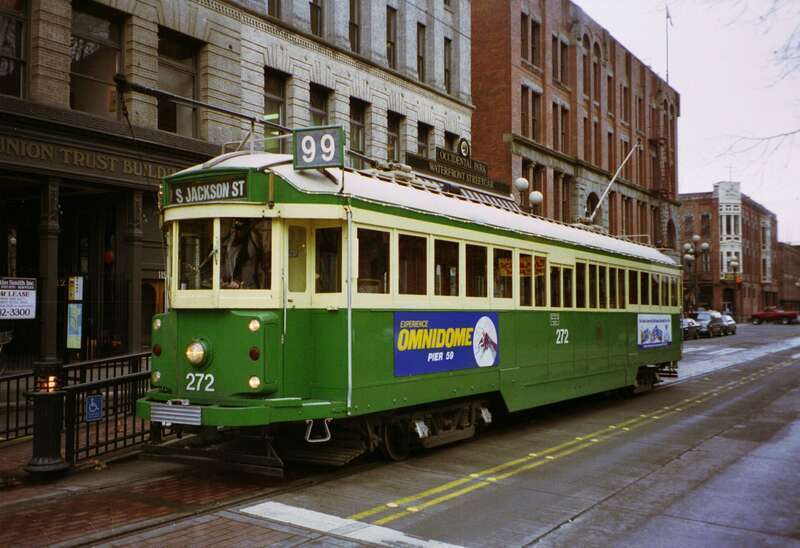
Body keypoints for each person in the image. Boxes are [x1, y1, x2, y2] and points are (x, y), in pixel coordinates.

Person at [221, 219, 264, 289]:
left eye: (241, 230)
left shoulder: (251, 244)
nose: (238, 232)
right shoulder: (230, 246)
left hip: (249, 287)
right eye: (236, 229)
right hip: (234, 286)